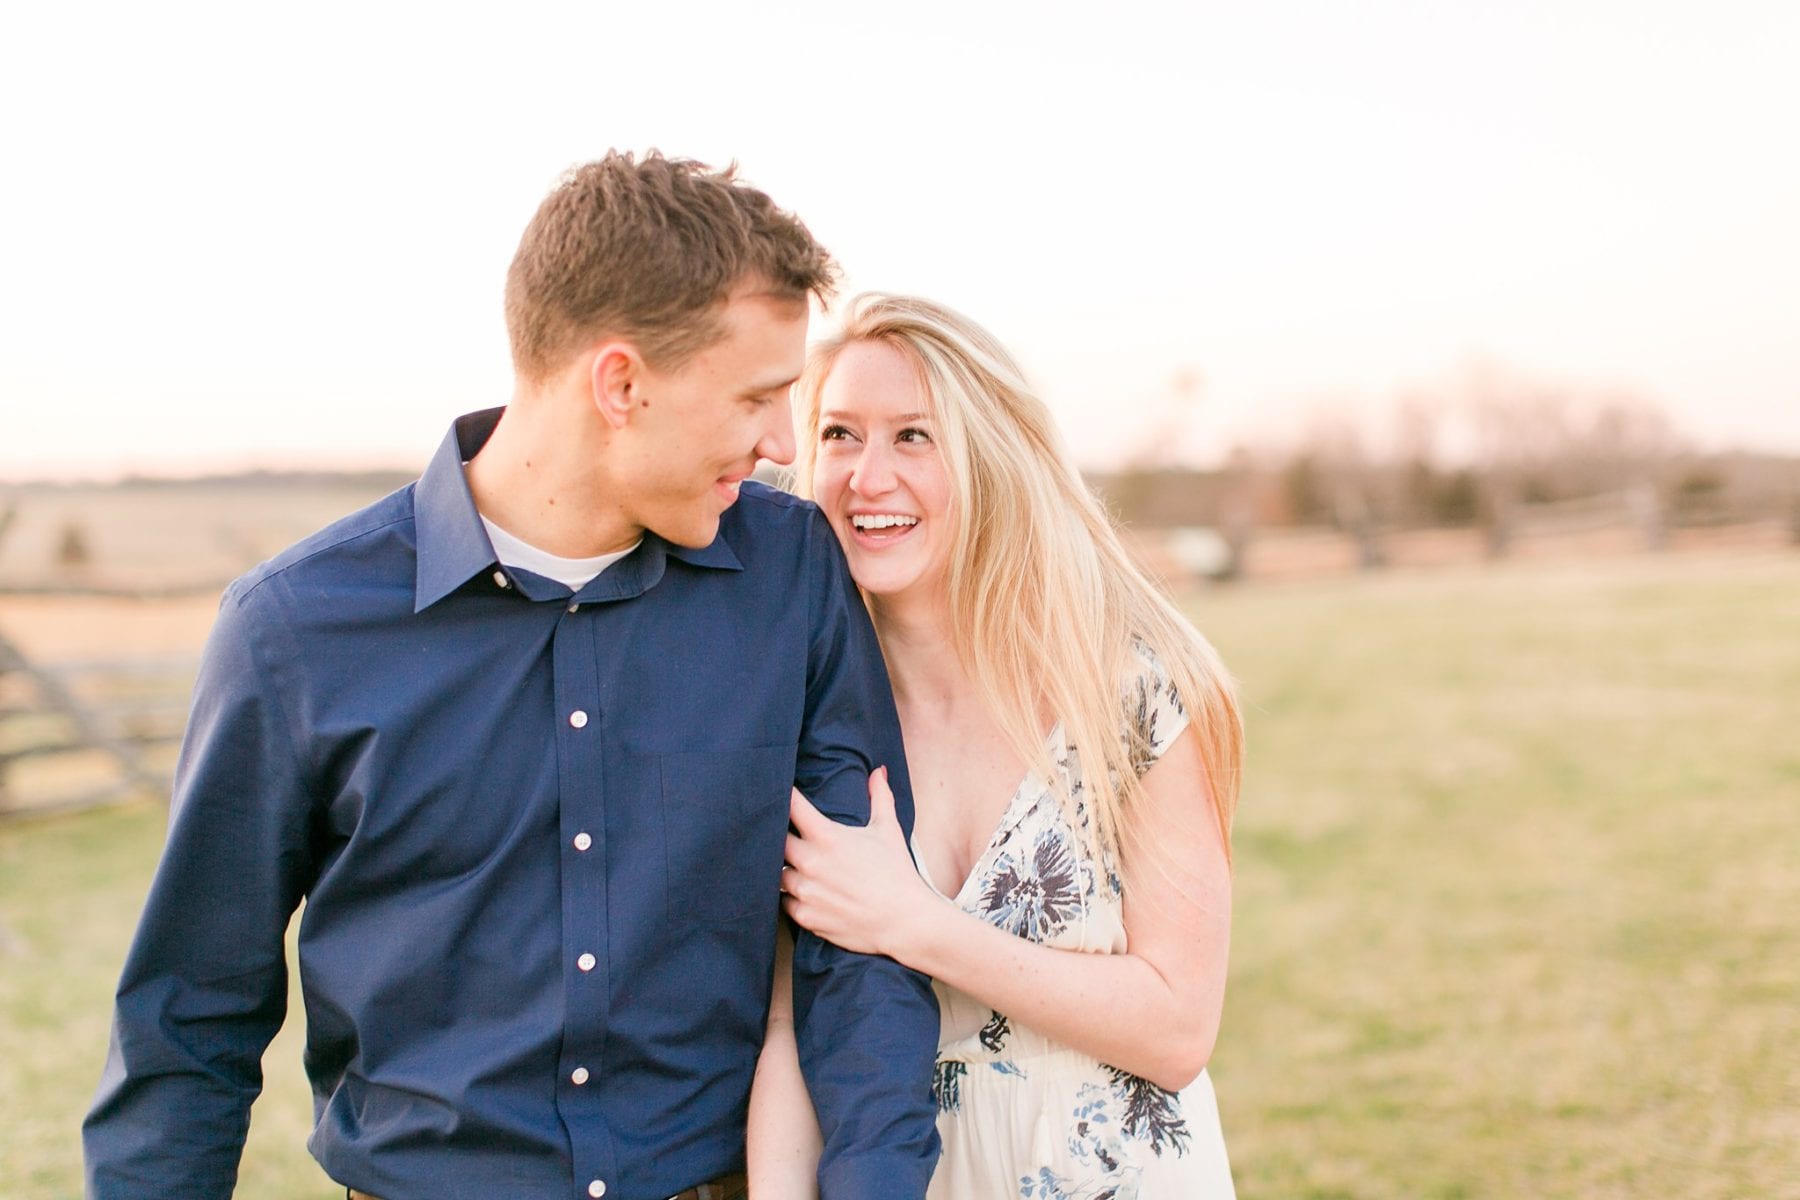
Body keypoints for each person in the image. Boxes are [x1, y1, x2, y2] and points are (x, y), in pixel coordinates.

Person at [82, 155, 941, 1200]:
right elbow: (187, 1022)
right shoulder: (294, 631)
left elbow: (860, 950)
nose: (778, 443)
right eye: (758, 397)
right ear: (620, 383)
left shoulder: (792, 574)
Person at [746, 295, 1242, 1198]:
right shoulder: (801, 715)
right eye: (840, 435)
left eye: (913, 437)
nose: (867, 476)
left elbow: (1178, 1028)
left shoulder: (1127, 689)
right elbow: (790, 1028)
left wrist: (917, 925)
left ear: (990, 457)